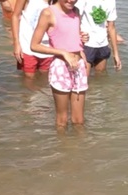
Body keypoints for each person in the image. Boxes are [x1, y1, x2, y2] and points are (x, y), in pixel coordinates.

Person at [30, 0, 88, 131]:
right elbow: (34, 45)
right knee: (62, 120)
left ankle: (81, 149)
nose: (71, 0)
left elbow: (72, 36)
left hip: (78, 65)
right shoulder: (48, 13)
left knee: (79, 120)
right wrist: (63, 52)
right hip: (60, 67)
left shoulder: (76, 11)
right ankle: (63, 149)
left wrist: (82, 38)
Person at [12, 0, 54, 78]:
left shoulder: (57, 2)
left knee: (45, 79)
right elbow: (15, 16)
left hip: (50, 48)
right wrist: (16, 43)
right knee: (28, 79)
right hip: (27, 47)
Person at [78, 0, 121, 75]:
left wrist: (116, 54)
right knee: (83, 80)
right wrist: (78, 36)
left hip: (102, 44)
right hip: (86, 44)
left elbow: (112, 27)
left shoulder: (111, 1)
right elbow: (74, 19)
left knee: (100, 78)